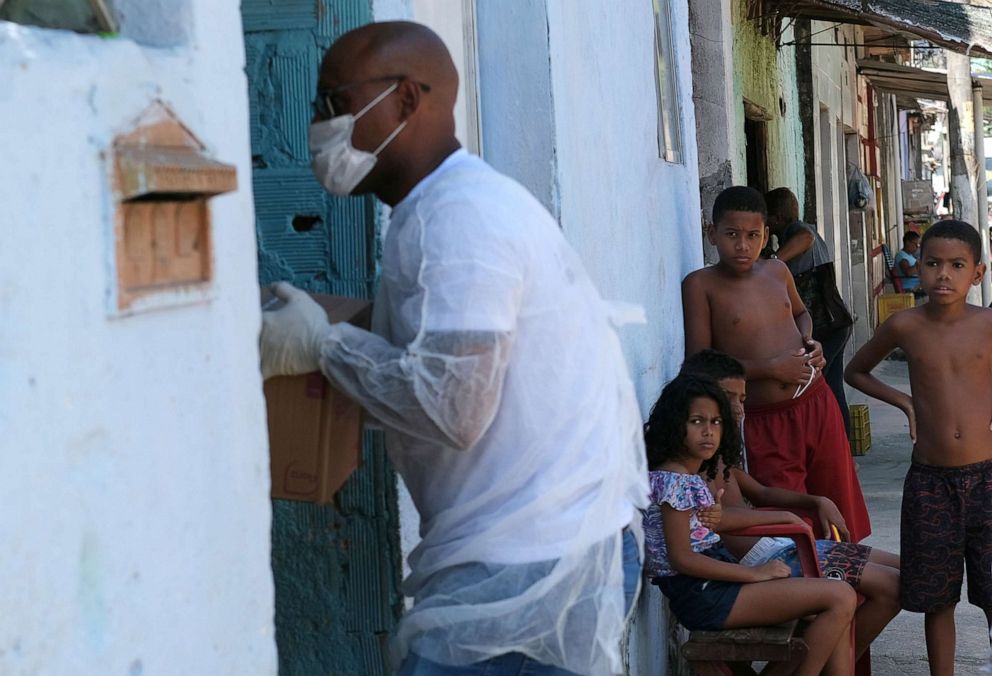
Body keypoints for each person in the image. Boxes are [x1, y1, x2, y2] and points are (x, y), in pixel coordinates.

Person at [258, 21, 647, 676]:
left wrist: (325, 347)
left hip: (530, 560)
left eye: (335, 102)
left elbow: (451, 408)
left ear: (406, 100)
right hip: (530, 546)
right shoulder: (436, 209)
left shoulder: (462, 217)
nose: (321, 125)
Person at [681, 349, 901, 659]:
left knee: (906, 575)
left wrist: (817, 500)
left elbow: (760, 493)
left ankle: (823, 664)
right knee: (890, 588)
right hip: (764, 558)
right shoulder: (695, 460)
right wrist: (787, 518)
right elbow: (714, 519)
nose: (738, 409)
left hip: (779, 545)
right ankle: (814, 667)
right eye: (727, 397)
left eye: (742, 400)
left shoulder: (719, 452)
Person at [682, 185, 871, 543]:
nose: (743, 245)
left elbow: (801, 314)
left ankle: (849, 589)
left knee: (838, 505)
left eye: (753, 235)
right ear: (711, 233)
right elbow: (698, 363)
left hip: (816, 401)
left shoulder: (777, 271)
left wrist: (809, 342)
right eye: (731, 234)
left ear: (766, 235)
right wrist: (770, 369)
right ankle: (810, 594)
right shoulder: (701, 285)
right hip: (765, 417)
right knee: (790, 523)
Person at [845, 219, 992, 676]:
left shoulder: (988, 324)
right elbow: (856, 371)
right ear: (919, 269)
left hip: (987, 479)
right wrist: (905, 401)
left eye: (956, 265)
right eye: (932, 264)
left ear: (978, 273)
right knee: (936, 599)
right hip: (930, 483)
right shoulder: (904, 325)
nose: (943, 275)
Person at [643, 373, 857, 676]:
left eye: (716, 422)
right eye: (697, 421)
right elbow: (683, 557)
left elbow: (709, 527)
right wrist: (753, 574)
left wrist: (779, 520)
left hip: (712, 586)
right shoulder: (675, 480)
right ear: (675, 423)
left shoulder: (683, 477)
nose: (708, 432)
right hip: (704, 594)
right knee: (840, 597)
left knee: (826, 604)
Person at [765, 187, 855, 439]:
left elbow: (805, 237)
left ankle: (833, 447)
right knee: (833, 388)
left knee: (817, 390)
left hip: (826, 324)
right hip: (835, 322)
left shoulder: (799, 231)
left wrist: (772, 262)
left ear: (778, 219)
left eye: (768, 220)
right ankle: (843, 449)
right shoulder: (800, 233)